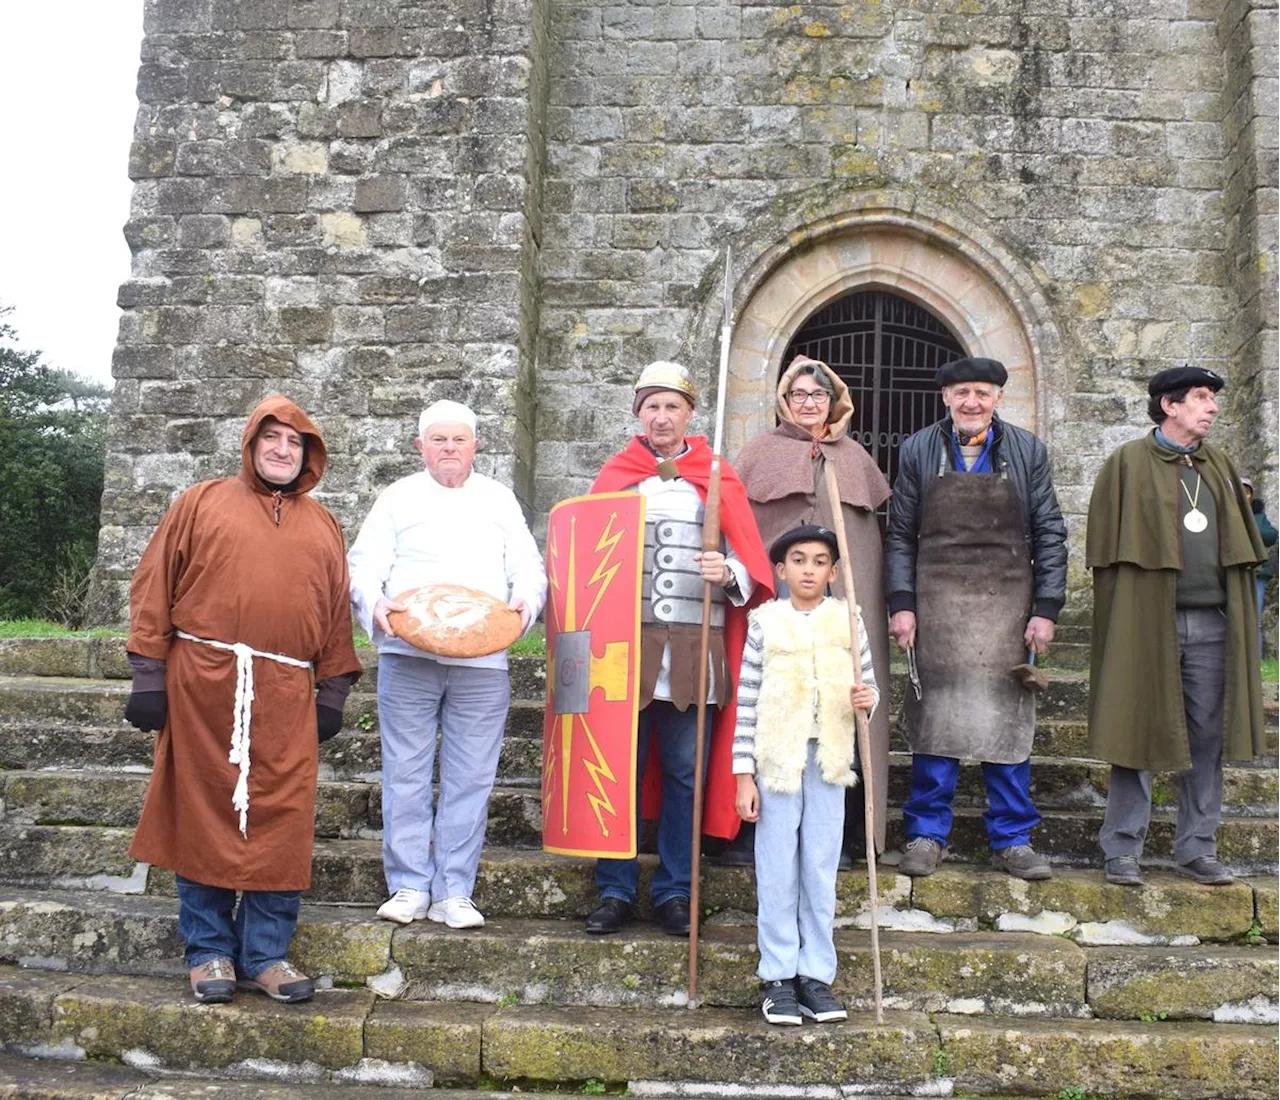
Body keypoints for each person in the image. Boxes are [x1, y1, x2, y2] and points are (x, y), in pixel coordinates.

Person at [125, 396, 362, 1005]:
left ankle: (265, 955)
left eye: (295, 441)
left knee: (282, 818)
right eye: (271, 438)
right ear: (251, 444)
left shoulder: (324, 523)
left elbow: (335, 612)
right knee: (203, 810)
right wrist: (148, 676)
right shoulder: (200, 502)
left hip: (286, 691)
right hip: (202, 682)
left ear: (309, 454)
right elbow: (154, 584)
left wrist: (332, 689)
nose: (283, 449)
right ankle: (208, 951)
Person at [583, 361, 773, 936]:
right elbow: (585, 557)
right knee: (617, 768)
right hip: (625, 646)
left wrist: (729, 569)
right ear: (637, 413)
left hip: (697, 645)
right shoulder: (618, 473)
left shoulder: (717, 475)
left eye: (672, 406)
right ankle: (614, 888)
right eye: (651, 406)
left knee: (686, 772)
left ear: (690, 412)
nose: (661, 417)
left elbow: (752, 564)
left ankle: (674, 889)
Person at [348, 400, 546, 928]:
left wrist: (525, 605)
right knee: (406, 772)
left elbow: (527, 565)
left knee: (471, 777)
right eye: (439, 440)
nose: (450, 449)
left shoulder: (499, 499)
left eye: (459, 440)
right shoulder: (398, 497)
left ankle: (455, 889)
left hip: (483, 665)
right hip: (407, 656)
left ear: (475, 445)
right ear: (421, 446)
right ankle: (409, 885)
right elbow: (364, 565)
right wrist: (375, 602)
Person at [884, 357, 1067, 880]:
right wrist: (902, 603)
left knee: (1005, 721)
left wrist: (1046, 609)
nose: (971, 402)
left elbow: (1050, 531)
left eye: (982, 393)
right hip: (937, 605)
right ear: (945, 397)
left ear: (997, 399)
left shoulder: (1027, 450)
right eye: (962, 392)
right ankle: (926, 833)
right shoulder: (919, 448)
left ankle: (1012, 837)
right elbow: (899, 534)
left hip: (1007, 605)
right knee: (936, 719)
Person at [1088, 366, 1266, 886]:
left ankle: (1197, 848)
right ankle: (1122, 849)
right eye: (1201, 398)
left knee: (1208, 737)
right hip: (1148, 620)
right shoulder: (1127, 463)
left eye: (1213, 399)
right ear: (1170, 405)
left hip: (1212, 623)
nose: (1211, 407)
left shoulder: (1219, 465)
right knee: (1135, 727)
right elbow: (1106, 553)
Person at [732, 354, 891, 867]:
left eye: (817, 395)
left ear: (833, 402)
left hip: (842, 612)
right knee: (770, 702)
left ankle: (848, 831)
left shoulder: (856, 458)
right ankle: (746, 824)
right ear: (784, 399)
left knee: (843, 703)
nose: (807, 403)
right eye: (798, 394)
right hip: (775, 613)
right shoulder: (759, 452)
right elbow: (743, 530)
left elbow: (868, 545)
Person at [733, 525, 878, 1026]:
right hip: (776, 761)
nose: (809, 569)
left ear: (834, 572)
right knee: (777, 866)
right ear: (781, 569)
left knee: (819, 866)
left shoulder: (848, 620)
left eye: (820, 561)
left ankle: (815, 974)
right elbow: (746, 701)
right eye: (799, 560)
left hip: (830, 760)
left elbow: (870, 690)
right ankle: (778, 975)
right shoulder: (765, 623)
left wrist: (868, 701)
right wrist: (742, 775)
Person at [1241, 478, 1277, 655]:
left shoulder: (1259, 516)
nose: (1244, 495)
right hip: (1234, 571)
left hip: (1258, 573)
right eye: (1241, 491)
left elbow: (1272, 536)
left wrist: (1251, 525)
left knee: (1256, 619)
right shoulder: (1226, 512)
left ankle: (1256, 659)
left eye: (1247, 492)